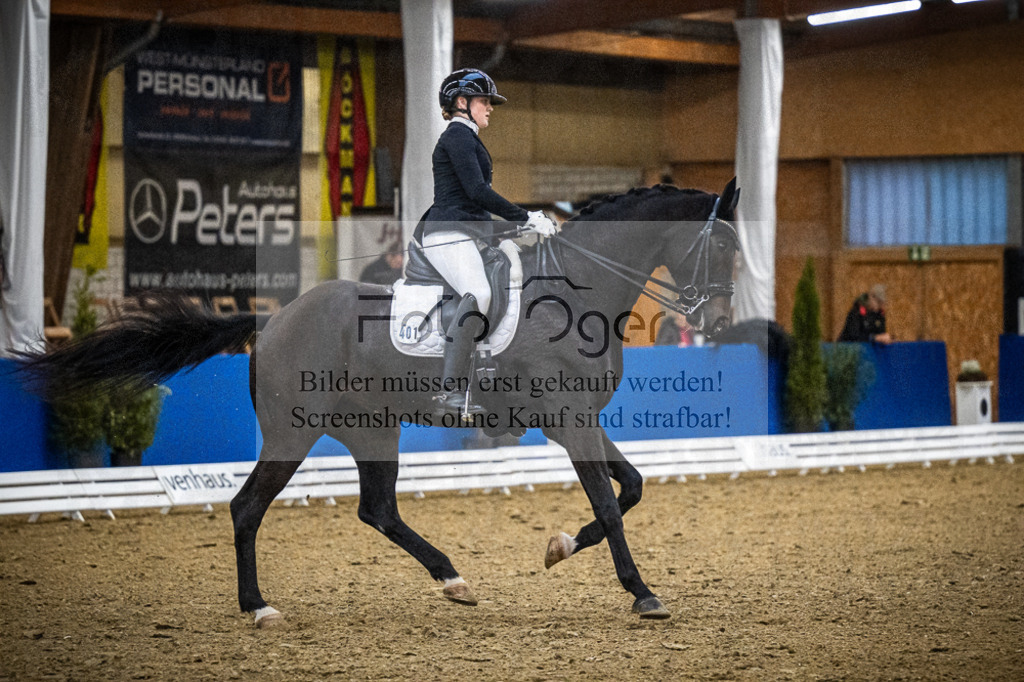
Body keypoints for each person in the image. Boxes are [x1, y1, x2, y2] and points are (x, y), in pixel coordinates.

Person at [414, 68, 557, 418]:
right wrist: (523, 217)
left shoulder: (469, 138)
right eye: (484, 101)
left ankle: (489, 369)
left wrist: (514, 230)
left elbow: (475, 208)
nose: (490, 107)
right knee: (478, 293)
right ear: (461, 102)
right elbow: (477, 191)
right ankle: (450, 391)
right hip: (447, 233)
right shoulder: (457, 137)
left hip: (467, 230)